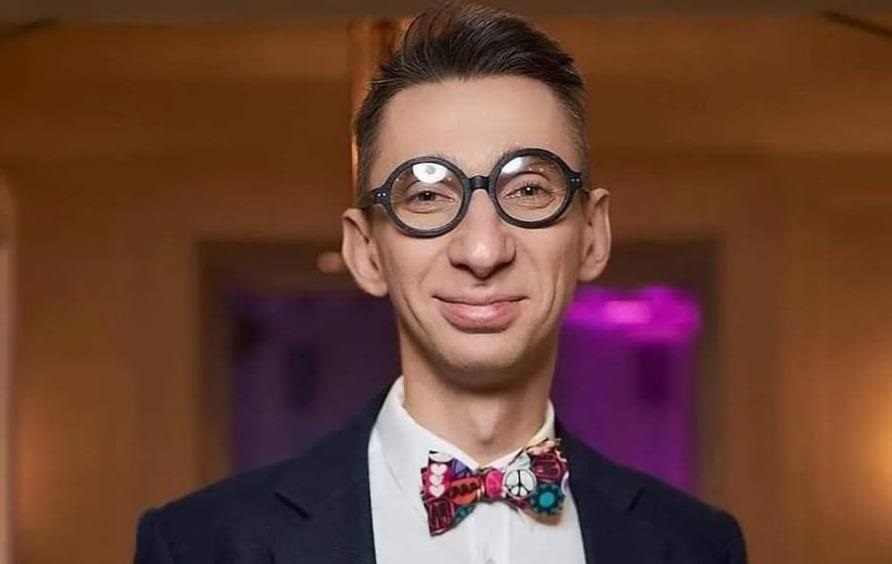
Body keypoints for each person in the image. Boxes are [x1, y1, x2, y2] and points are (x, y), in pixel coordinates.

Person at [133, 2, 747, 563]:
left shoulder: (698, 547)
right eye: (426, 196)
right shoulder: (199, 546)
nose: (482, 251)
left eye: (527, 190)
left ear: (593, 235)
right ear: (365, 252)